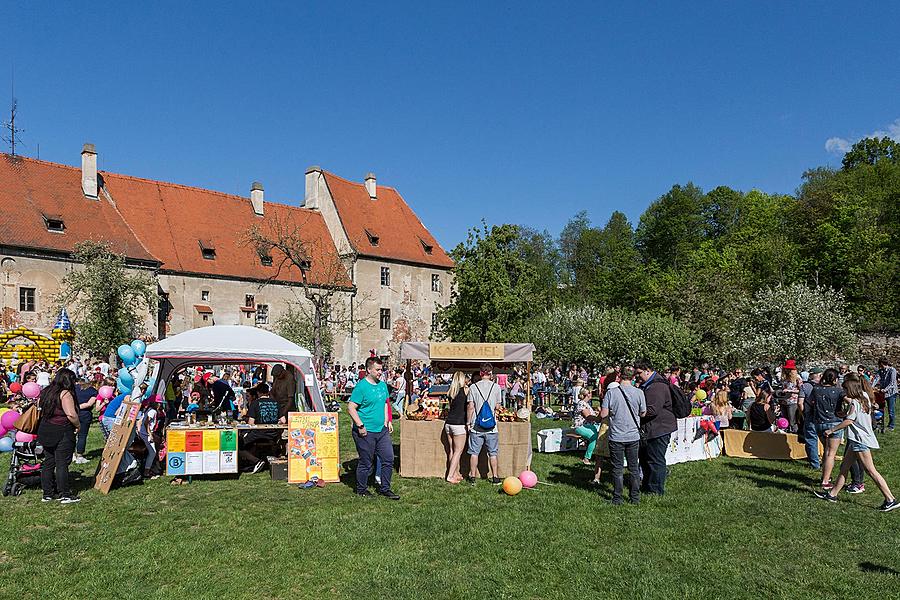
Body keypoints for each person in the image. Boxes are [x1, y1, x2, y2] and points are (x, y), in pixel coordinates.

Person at [814, 375, 899, 511]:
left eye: (846, 390)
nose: (845, 393)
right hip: (856, 440)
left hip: (860, 440)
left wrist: (832, 430)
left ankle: (890, 499)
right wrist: (845, 414)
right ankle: (832, 494)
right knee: (844, 468)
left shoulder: (854, 402)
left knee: (871, 471)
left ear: (851, 390)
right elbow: (855, 416)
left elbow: (850, 421)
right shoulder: (864, 397)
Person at [347, 357, 398, 499]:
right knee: (366, 462)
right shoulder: (361, 387)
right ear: (369, 370)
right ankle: (361, 489)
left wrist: (387, 421)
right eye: (378, 370)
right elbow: (351, 407)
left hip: (381, 430)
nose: (380, 372)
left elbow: (384, 404)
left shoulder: (382, 386)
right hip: (365, 431)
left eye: (381, 369)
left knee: (388, 459)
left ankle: (385, 488)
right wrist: (360, 425)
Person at [600, 366, 646, 505]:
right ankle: (635, 498)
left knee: (617, 468)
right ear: (633, 377)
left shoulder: (611, 393)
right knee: (633, 468)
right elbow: (643, 413)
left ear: (619, 376)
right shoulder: (639, 393)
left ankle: (617, 498)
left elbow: (603, 414)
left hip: (616, 435)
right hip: (633, 435)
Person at [36, 368, 81, 503]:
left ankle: (47, 493)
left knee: (48, 462)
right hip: (61, 429)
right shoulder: (65, 393)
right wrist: (78, 425)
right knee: (62, 463)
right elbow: (71, 414)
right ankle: (65, 494)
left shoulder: (46, 391)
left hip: (45, 428)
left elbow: (39, 408)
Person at [634, 359, 677, 495]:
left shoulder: (656, 386)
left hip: (659, 429)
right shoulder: (650, 384)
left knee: (655, 460)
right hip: (653, 428)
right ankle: (648, 486)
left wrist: (633, 412)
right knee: (647, 459)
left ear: (647, 370)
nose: (637, 376)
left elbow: (652, 410)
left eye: (639, 373)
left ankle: (656, 490)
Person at [466, 363, 503, 485]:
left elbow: (470, 407)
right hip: (492, 427)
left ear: (481, 373)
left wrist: (468, 422)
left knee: (474, 453)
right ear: (491, 373)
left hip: (476, 425)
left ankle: (472, 477)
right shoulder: (496, 387)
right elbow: (498, 406)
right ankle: (495, 477)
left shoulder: (473, 387)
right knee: (493, 453)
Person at [811, 368, 845, 490]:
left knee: (826, 451)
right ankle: (825, 481)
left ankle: (825, 476)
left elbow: (810, 403)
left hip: (819, 422)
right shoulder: (839, 391)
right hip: (834, 422)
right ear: (835, 379)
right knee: (831, 453)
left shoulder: (816, 389)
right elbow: (850, 402)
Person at [238, 383, 281, 473]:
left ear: (258, 393)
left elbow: (251, 423)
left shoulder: (255, 403)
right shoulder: (276, 403)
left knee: (238, 444)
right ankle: (252, 463)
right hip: (273, 434)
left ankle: (256, 461)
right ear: (268, 392)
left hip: (259, 433)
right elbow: (283, 420)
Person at [443, 371, 469, 484]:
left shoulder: (451, 391)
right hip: (459, 424)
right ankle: (450, 476)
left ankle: (455, 473)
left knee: (452, 451)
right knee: (458, 451)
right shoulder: (466, 390)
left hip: (448, 424)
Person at [799, 368, 823, 470]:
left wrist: (803, 414)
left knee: (811, 440)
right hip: (823, 416)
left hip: (810, 415)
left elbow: (800, 403)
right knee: (826, 441)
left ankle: (815, 464)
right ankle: (827, 462)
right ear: (820, 375)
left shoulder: (805, 386)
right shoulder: (824, 387)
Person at [572, 387, 600, 468]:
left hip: (589, 425)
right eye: (590, 393)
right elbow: (588, 417)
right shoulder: (582, 404)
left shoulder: (586, 404)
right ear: (586, 395)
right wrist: (598, 418)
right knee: (594, 437)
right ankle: (586, 458)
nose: (591, 394)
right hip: (580, 426)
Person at [73, 376, 98, 464]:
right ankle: (79, 455)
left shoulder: (73, 389)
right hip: (85, 414)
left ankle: (72, 454)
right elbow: (89, 404)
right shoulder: (93, 391)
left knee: (72, 435)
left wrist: (73, 408)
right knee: (82, 435)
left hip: (73, 414)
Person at [877, 357, 897, 431]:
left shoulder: (892, 370)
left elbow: (892, 383)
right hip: (882, 393)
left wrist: (885, 390)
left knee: (891, 410)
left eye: (879, 364)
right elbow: (876, 378)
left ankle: (891, 426)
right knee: (880, 408)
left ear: (882, 364)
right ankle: (879, 423)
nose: (878, 365)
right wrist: (870, 387)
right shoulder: (880, 371)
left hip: (891, 393)